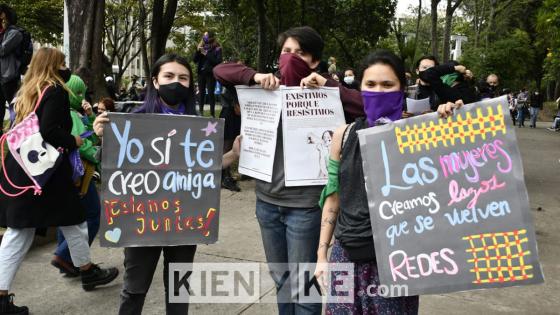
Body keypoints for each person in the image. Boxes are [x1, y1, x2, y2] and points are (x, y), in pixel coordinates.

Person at [214, 26, 363, 314]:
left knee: (304, 283)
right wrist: (254, 76)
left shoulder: (329, 94)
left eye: (300, 53)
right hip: (267, 202)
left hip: (306, 207)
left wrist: (331, 87)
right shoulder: (267, 89)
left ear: (315, 61)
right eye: (286, 52)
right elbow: (221, 70)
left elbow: (369, 106)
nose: (291, 58)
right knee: (282, 278)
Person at [313, 50, 462, 314]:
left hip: (397, 262)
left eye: (387, 85)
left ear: (402, 89)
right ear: (359, 87)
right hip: (345, 256)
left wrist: (451, 123)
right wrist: (321, 255)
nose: (378, 91)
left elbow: (453, 182)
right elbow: (333, 196)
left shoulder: (421, 135)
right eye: (370, 85)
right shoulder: (343, 135)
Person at [93, 53, 241, 315]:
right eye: (169, 76)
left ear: (191, 85)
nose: (176, 82)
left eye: (183, 78)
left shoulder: (200, 127)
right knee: (134, 290)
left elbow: (207, 168)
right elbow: (110, 164)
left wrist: (233, 154)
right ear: (155, 81)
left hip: (184, 220)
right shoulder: (132, 120)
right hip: (141, 221)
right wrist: (104, 137)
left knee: (178, 290)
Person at [0, 47, 118, 315]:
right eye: (62, 63)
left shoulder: (26, 92)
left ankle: (87, 270)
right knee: (23, 232)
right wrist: (75, 140)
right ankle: (2, 296)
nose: (66, 68)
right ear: (52, 66)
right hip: (46, 174)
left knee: (71, 221)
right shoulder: (54, 90)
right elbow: (51, 131)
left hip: (24, 171)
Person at [50, 74, 103, 278]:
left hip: (67, 173)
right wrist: (96, 153)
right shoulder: (70, 115)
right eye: (78, 92)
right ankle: (66, 257)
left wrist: (89, 116)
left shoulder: (68, 112)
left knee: (69, 217)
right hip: (80, 172)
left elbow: (89, 131)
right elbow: (82, 143)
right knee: (92, 215)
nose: (82, 96)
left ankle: (68, 259)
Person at [0, 5, 22, 138]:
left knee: (14, 106)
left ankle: (18, 132)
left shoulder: (15, 33)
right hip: (1, 76)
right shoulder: (2, 33)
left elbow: (2, 50)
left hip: (9, 76)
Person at [193, 31, 222, 117]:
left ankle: (212, 114)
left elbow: (218, 61)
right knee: (201, 93)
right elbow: (194, 60)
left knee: (210, 93)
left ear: (211, 37)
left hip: (210, 73)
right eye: (204, 36)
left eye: (207, 36)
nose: (205, 38)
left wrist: (206, 54)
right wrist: (198, 51)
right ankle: (200, 112)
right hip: (201, 73)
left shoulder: (217, 48)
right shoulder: (201, 46)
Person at [219, 85, 242, 192]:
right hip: (229, 114)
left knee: (232, 143)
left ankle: (226, 176)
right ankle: (224, 177)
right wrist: (235, 104)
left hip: (235, 115)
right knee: (227, 146)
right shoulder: (231, 80)